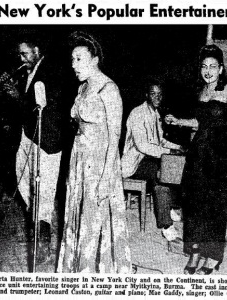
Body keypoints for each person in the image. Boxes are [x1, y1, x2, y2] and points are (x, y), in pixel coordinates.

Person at [57, 32, 131, 273]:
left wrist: (106, 178)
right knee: (79, 215)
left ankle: (96, 273)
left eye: (79, 59)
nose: (73, 65)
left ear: (95, 59)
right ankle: (76, 270)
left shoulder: (109, 89)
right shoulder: (82, 88)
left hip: (100, 165)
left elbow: (114, 138)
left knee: (96, 220)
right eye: (72, 60)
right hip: (79, 160)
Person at [165, 44, 227, 275]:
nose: (208, 70)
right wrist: (178, 121)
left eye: (213, 66)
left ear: (221, 68)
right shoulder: (201, 92)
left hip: (220, 158)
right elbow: (201, 124)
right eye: (204, 66)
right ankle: (196, 252)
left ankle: (213, 256)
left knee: (215, 208)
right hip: (198, 155)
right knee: (195, 205)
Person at [10, 34, 65, 264]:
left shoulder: (51, 70)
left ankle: (43, 243)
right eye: (19, 55)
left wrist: (17, 97)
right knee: (25, 186)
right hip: (28, 137)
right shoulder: (28, 71)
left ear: (37, 49)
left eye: (25, 53)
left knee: (44, 192)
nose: (22, 59)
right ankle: (39, 226)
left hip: (47, 141)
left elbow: (44, 106)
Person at [121, 80, 183, 241]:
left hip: (148, 158)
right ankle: (166, 226)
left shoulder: (155, 113)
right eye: (153, 93)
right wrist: (169, 151)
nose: (157, 97)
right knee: (161, 172)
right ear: (147, 95)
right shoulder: (138, 113)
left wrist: (178, 147)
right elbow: (143, 146)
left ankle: (167, 205)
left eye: (160, 94)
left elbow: (159, 141)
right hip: (135, 163)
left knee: (175, 163)